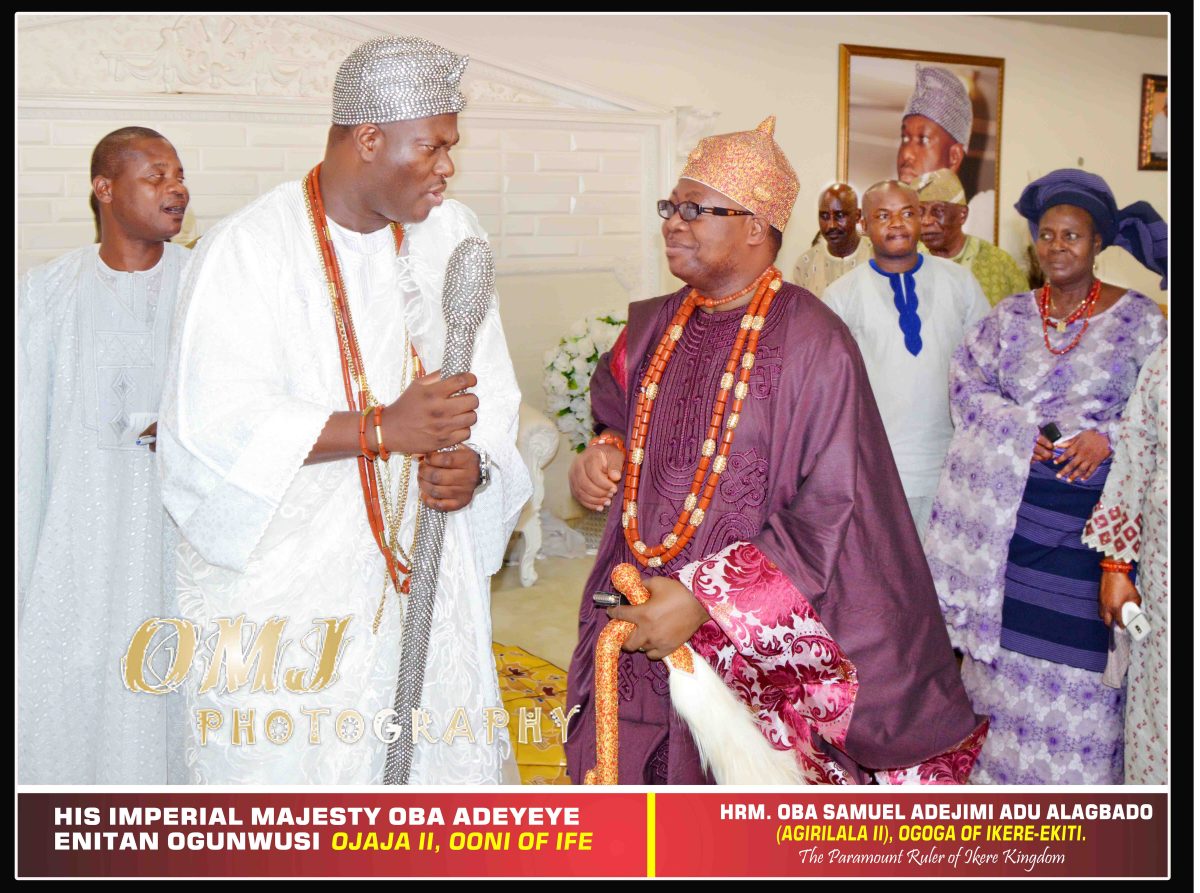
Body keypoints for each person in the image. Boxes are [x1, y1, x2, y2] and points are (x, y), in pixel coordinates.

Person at [564, 117, 986, 786]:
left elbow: (834, 505)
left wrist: (703, 599)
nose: (673, 222)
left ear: (756, 226)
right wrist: (603, 453)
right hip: (640, 607)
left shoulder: (816, 343)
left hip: (748, 647)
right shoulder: (650, 327)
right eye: (670, 207)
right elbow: (616, 413)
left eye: (695, 209)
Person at [158, 36, 530, 785]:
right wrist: (379, 431)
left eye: (449, 146)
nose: (447, 166)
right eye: (431, 146)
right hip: (293, 589)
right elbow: (211, 426)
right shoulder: (248, 250)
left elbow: (489, 387)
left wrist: (477, 467)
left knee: (432, 766)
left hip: (425, 564)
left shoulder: (453, 236)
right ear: (369, 139)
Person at [924, 169, 1168, 784]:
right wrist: (1015, 430)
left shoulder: (1142, 320)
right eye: (1048, 235)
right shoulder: (1007, 318)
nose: (1059, 247)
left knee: (1083, 670)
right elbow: (967, 386)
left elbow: (1160, 412)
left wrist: (1104, 437)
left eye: (1074, 236)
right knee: (1004, 673)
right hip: (1012, 532)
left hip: (1097, 540)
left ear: (1097, 245)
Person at [19, 126, 190, 784]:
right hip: (75, 537)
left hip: (173, 537)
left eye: (179, 176)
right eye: (156, 176)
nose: (176, 188)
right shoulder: (46, 293)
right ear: (105, 188)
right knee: (76, 671)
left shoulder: (206, 287)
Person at [823, 180, 990, 539]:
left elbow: (988, 368)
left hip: (949, 468)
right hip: (874, 471)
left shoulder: (960, 283)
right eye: (883, 215)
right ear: (863, 226)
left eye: (908, 213)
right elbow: (828, 392)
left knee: (943, 583)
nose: (897, 223)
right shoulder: (839, 297)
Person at [1082, 338, 1169, 784]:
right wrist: (1116, 566)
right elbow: (1136, 458)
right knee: (1162, 708)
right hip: (1167, 573)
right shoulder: (1167, 359)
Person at [897, 63, 994, 243]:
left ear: (954, 156)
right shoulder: (887, 228)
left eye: (923, 140)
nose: (907, 154)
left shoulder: (978, 227)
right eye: (904, 138)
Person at [912, 168, 1029, 305]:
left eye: (938, 211)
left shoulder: (999, 264)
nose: (926, 221)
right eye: (919, 213)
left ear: (963, 215)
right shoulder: (906, 261)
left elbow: (1024, 318)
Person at [790, 182, 872, 297]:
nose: (831, 225)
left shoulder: (877, 255)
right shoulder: (805, 264)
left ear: (857, 215)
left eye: (839, 216)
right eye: (824, 216)